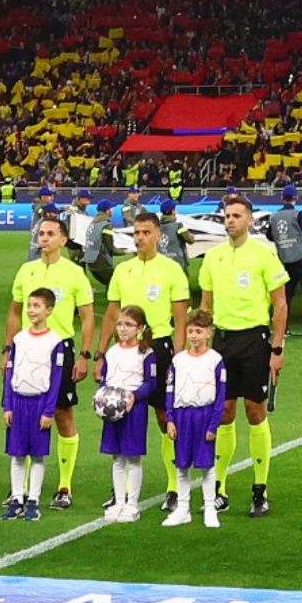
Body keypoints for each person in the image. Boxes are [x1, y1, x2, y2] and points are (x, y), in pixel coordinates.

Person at [198, 195, 290, 518]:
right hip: (222, 340)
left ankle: (259, 489)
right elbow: (206, 306)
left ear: (250, 220)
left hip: (254, 339)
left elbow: (280, 304)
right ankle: (218, 489)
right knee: (223, 412)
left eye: (237, 215)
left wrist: (277, 348)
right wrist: (201, 345)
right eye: (227, 215)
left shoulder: (264, 255)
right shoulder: (213, 257)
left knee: (254, 411)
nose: (230, 220)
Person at [106, 207, 192, 512]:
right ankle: (122, 488)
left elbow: (181, 319)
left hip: (159, 349)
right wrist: (100, 353)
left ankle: (173, 485)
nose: (140, 238)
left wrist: (181, 359)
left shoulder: (171, 270)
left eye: (145, 232)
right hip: (124, 352)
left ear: (158, 234)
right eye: (136, 233)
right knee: (120, 411)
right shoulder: (122, 270)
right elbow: (112, 314)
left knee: (163, 416)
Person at [12, 214, 100, 510]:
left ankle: (64, 485)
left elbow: (87, 317)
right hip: (26, 350)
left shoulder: (75, 273)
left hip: (60, 350)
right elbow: (14, 312)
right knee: (24, 415)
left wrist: (85, 355)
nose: (44, 238)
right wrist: (6, 350)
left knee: (63, 415)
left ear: (63, 240)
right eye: (41, 233)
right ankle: (21, 488)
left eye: (51, 233)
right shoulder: (27, 271)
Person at [1, 289, 72, 521]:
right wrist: (7, 405)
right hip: (18, 402)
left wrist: (49, 410)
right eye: (29, 305)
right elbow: (10, 373)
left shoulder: (55, 342)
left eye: (37, 306)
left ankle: (33, 499)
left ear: (49, 310)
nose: (31, 310)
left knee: (38, 455)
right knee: (17, 454)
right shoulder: (19, 339)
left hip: (39, 403)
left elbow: (56, 380)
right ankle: (17, 499)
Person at [96, 306, 163, 524]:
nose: (123, 329)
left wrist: (135, 396)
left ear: (140, 328)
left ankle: (132, 504)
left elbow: (151, 384)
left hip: (134, 410)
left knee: (132, 457)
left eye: (128, 325)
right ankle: (119, 501)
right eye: (120, 324)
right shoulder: (112, 352)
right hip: (113, 410)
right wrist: (102, 396)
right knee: (117, 457)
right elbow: (105, 378)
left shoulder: (146, 354)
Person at [161, 311, 228, 529]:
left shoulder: (216, 361)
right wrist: (170, 419)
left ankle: (210, 507)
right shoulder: (178, 360)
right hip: (182, 417)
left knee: (207, 465)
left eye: (199, 331)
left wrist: (213, 424)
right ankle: (183, 508)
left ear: (209, 333)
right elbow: (170, 390)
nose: (194, 336)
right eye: (190, 331)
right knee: (182, 464)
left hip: (204, 415)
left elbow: (220, 396)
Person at [267, 187, 302, 339]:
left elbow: (269, 235)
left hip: (285, 259)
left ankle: (283, 328)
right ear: (295, 198)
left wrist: (283, 240)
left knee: (286, 295)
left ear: (282, 198)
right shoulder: (298, 214)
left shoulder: (274, 216)